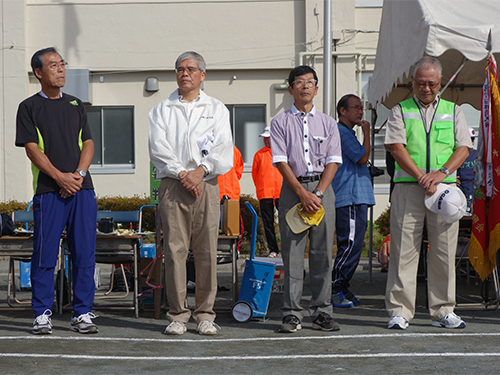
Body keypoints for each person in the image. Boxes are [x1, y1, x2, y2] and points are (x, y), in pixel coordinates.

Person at [149, 51, 233, 336]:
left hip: (207, 184)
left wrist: (201, 170)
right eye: (179, 69)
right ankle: (177, 314)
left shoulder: (216, 108)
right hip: (174, 184)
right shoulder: (162, 109)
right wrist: (183, 173)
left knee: (207, 249)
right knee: (174, 250)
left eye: (190, 69)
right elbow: (158, 148)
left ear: (202, 75)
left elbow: (223, 148)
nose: (184, 74)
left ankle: (205, 314)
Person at [384, 56, 472, 330]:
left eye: (431, 83)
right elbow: (396, 147)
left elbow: (463, 148)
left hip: (444, 191)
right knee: (403, 251)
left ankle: (444, 310)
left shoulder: (453, 110)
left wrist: (441, 173)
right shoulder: (399, 110)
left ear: (440, 83)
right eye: (420, 83)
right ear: (412, 82)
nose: (426, 88)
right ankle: (400, 311)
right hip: (409, 188)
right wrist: (422, 176)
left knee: (444, 250)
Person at [15, 47, 98, 335]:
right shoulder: (29, 107)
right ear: (39, 72)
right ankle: (41, 314)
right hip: (50, 191)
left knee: (85, 253)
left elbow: (88, 143)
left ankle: (83, 313)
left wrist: (78, 175)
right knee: (45, 254)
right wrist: (60, 178)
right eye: (53, 65)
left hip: (82, 190)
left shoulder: (76, 104)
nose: (60, 69)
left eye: (62, 64)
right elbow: (31, 149)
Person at [270, 65, 342, 333]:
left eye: (310, 82)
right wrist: (302, 194)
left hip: (324, 190)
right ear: (290, 89)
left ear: (317, 88)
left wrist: (319, 194)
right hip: (293, 190)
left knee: (323, 255)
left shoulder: (328, 123)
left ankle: (322, 312)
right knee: (292, 255)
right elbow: (280, 161)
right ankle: (291, 314)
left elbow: (334, 161)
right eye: (299, 82)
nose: (305, 86)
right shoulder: (279, 123)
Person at [330, 94, 375, 307]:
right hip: (349, 197)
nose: (360, 112)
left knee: (355, 245)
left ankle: (342, 286)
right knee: (349, 244)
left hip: (357, 196)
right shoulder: (341, 132)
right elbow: (362, 157)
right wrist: (367, 132)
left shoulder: (348, 133)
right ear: (342, 111)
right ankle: (335, 287)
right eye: (355, 108)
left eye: (361, 108)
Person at [252, 127, 282, 257]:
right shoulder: (259, 155)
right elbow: (255, 174)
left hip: (281, 193)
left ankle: (287, 248)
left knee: (286, 221)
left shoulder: (281, 153)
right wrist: (261, 187)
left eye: (268, 138)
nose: (266, 141)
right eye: (264, 138)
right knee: (268, 223)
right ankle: (273, 249)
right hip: (265, 194)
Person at [457, 127, 477, 215]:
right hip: (460, 184)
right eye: (469, 139)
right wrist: (454, 177)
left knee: (470, 202)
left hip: (472, 184)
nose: (471, 142)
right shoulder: (457, 154)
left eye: (472, 139)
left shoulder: (477, 154)